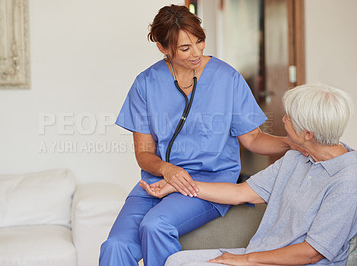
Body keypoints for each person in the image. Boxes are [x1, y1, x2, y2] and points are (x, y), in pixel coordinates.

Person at [99, 4, 303, 266]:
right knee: (115, 246)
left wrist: (292, 143)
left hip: (207, 182)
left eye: (200, 41)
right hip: (158, 181)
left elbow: (252, 139)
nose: (197, 52)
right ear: (163, 49)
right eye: (185, 48)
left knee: (155, 225)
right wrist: (167, 170)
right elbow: (144, 153)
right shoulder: (145, 84)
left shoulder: (227, 78)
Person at [140, 83, 357, 266]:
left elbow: (312, 252)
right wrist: (178, 185)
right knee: (176, 261)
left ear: (307, 133)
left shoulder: (347, 180)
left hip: (282, 262)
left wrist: (245, 260)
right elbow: (240, 193)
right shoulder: (297, 158)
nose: (283, 119)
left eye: (289, 117)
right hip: (259, 254)